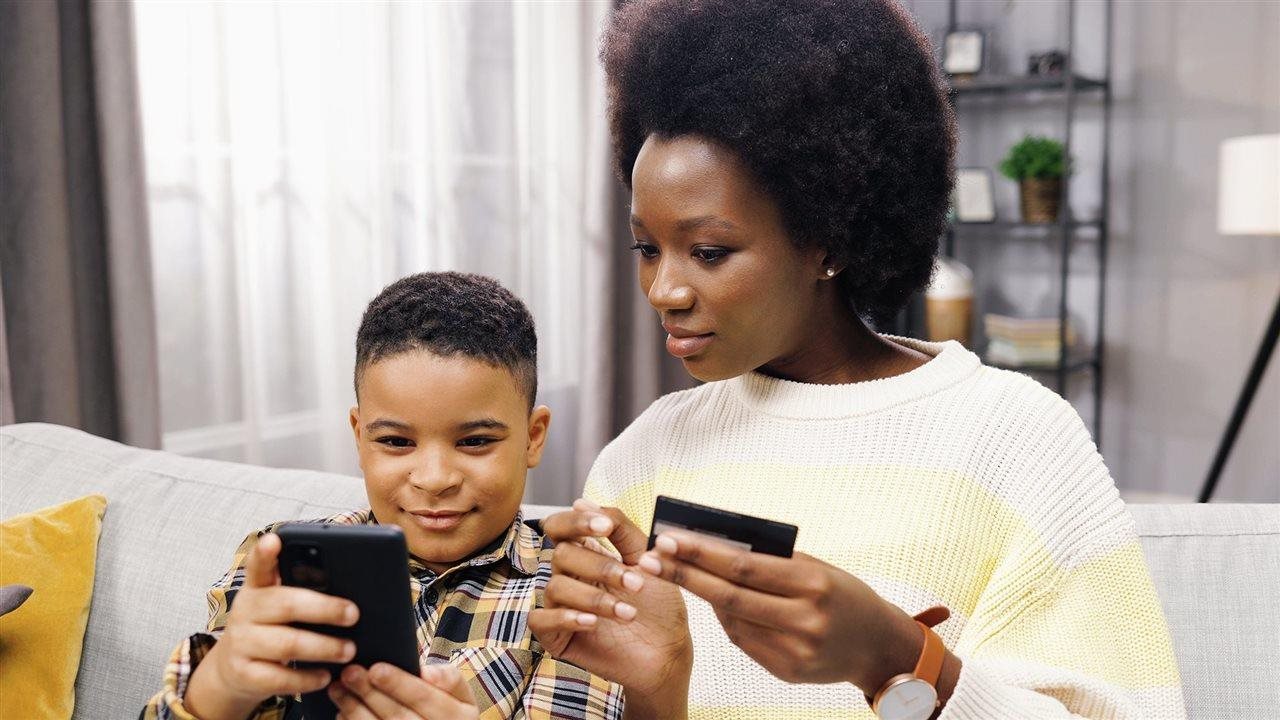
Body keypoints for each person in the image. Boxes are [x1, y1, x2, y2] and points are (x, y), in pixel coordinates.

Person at [527, 1, 1185, 718]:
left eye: (708, 252)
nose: (664, 290)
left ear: (830, 243)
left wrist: (893, 657)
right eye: (647, 248)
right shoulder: (644, 455)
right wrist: (658, 689)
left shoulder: (1015, 438)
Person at [144, 272, 622, 720]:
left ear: (533, 437)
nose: (434, 479)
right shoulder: (280, 561)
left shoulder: (573, 583)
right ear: (359, 436)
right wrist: (222, 683)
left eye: (475, 441)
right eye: (396, 441)